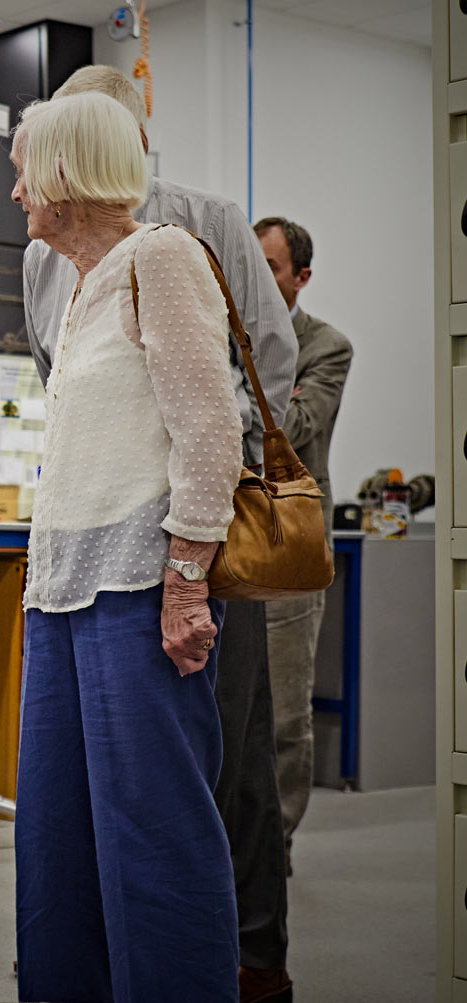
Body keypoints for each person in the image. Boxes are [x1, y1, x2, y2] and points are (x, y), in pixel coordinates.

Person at [23, 63, 297, 1003]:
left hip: (140, 586)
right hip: (60, 590)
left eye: (24, 172)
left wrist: (187, 582)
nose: (14, 190)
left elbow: (212, 432)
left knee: (157, 825)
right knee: (55, 835)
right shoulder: (74, 283)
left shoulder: (164, 257)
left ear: (63, 176)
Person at [254, 216, 351, 870]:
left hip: (288, 545)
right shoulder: (225, 335)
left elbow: (295, 424)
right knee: (228, 710)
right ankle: (232, 850)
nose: (257, 279)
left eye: (272, 267)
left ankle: (274, 853)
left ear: (301, 278)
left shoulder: (326, 346)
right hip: (221, 536)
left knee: (285, 712)